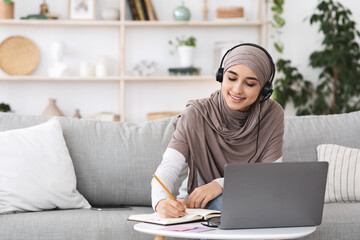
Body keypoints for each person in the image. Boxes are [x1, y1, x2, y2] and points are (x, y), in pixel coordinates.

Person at [151, 43, 284, 218]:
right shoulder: (196, 113)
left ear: (264, 90)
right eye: (231, 78)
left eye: (250, 84)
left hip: (251, 199)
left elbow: (270, 177)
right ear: (221, 76)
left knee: (268, 206)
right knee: (228, 206)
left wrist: (220, 184)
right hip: (202, 204)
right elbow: (168, 168)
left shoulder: (271, 114)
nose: (237, 89)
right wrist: (160, 202)